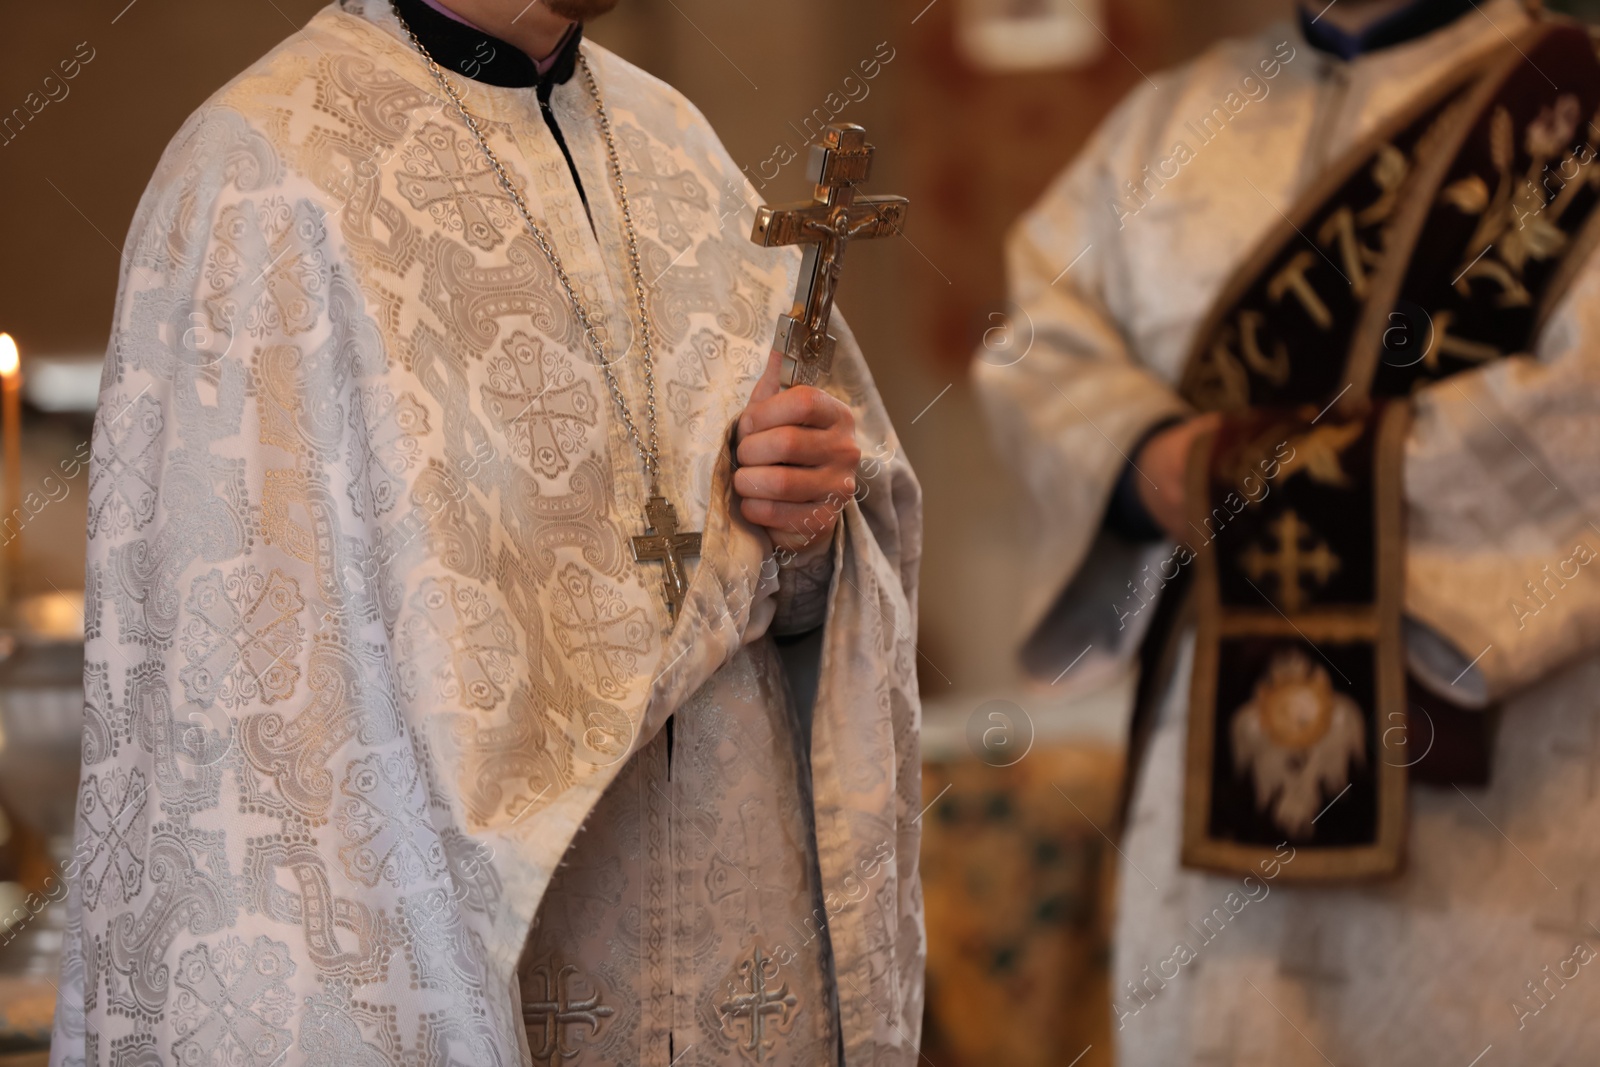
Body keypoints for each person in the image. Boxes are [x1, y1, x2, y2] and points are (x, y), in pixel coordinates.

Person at [50, 1, 924, 1063]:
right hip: (482, 968)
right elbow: (254, 733)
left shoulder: (675, 144)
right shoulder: (265, 170)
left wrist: (805, 527)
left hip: (740, 965)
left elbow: (815, 567)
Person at [976, 0, 1600, 1062]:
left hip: (1499, 814)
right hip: (1203, 834)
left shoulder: (1574, 114)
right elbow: (1036, 341)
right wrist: (1139, 458)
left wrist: (1241, 475)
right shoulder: (1162, 123)